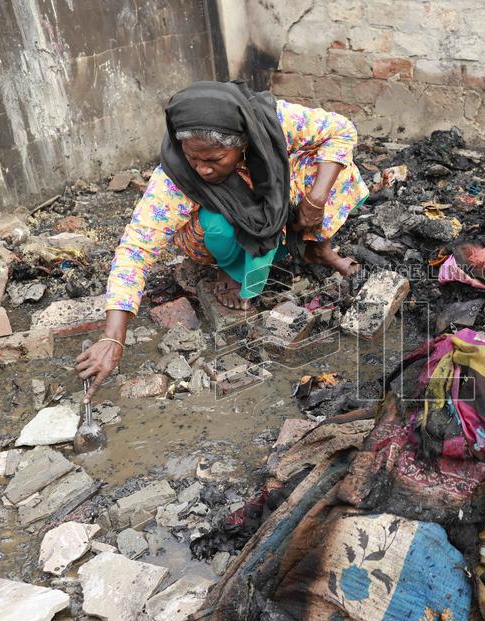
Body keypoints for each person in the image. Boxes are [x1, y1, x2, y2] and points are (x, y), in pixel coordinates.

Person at [75, 81, 368, 401]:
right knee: (217, 222)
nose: (201, 169)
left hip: (277, 202)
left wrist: (315, 199)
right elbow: (137, 246)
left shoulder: (274, 122)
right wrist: (113, 336)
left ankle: (316, 246)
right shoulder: (174, 174)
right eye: (193, 158)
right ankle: (229, 268)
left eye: (214, 159)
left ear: (242, 144)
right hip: (214, 231)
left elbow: (342, 129)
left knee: (331, 166)